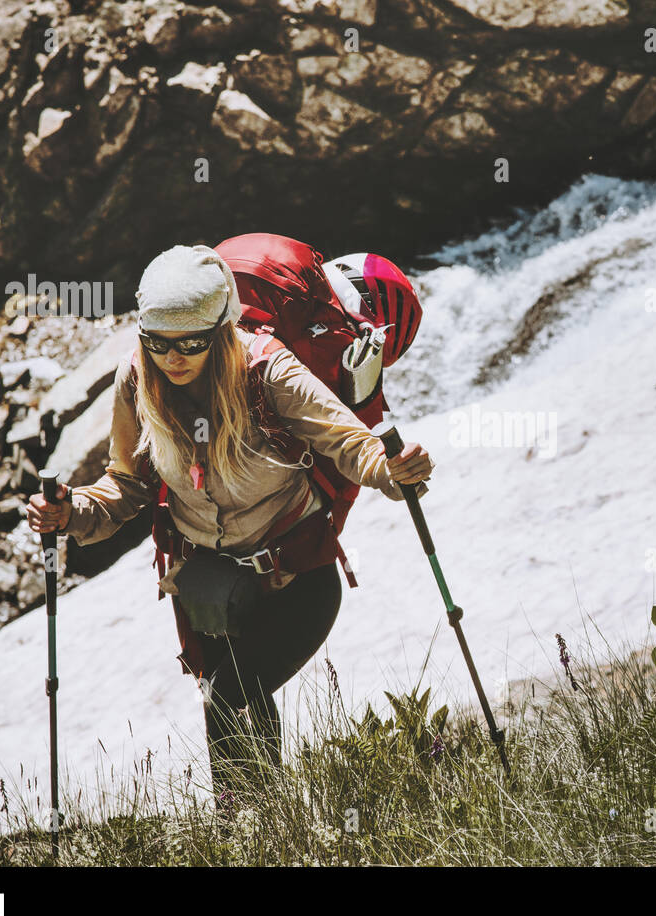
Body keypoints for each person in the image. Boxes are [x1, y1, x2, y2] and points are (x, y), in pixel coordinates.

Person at [25, 244, 433, 801]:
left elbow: (348, 442)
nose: (172, 358)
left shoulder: (267, 369)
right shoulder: (136, 379)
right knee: (242, 708)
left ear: (221, 329)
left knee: (227, 697)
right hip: (211, 587)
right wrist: (73, 513)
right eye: (158, 342)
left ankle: (244, 837)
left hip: (297, 579)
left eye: (190, 343)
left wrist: (392, 470)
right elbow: (128, 485)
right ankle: (265, 836)